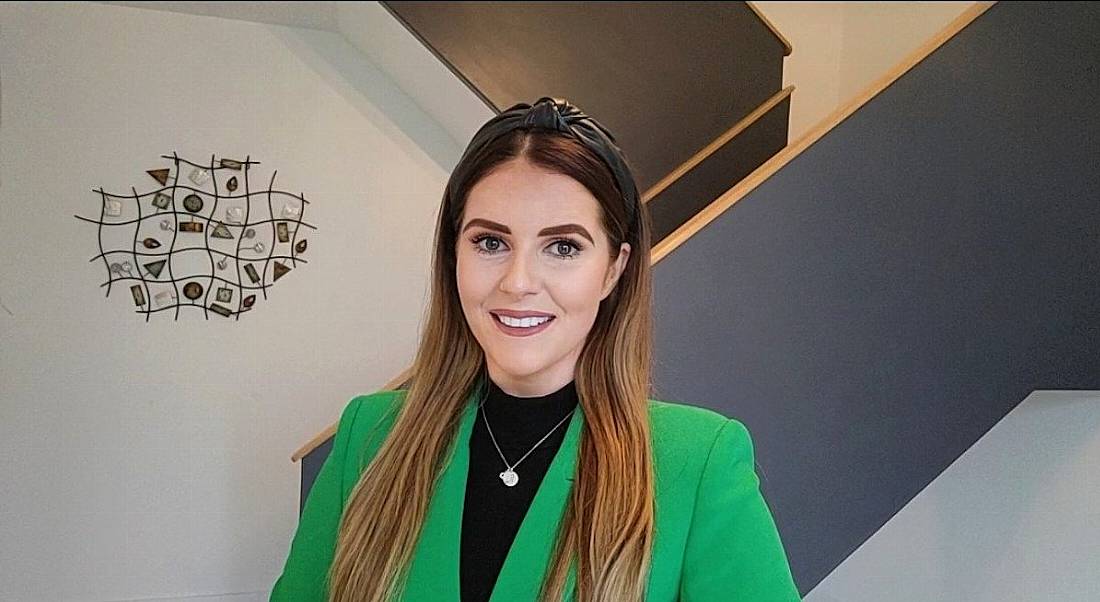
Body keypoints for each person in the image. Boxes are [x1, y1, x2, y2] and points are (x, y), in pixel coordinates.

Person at [271, 97, 800, 602]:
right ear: (452, 254)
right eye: (490, 242)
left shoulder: (698, 460)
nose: (519, 282)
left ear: (613, 269)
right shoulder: (370, 435)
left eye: (563, 247)